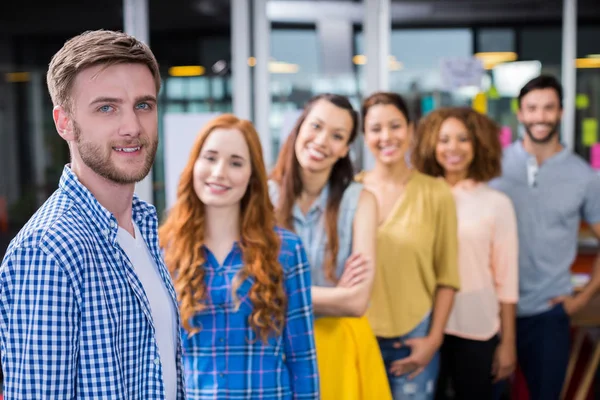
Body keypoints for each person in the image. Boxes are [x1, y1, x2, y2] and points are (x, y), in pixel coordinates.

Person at [0, 30, 184, 399]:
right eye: (106, 108)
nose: (132, 127)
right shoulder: (50, 251)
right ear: (64, 122)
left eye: (143, 105)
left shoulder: (143, 226)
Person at [159, 114, 319, 400]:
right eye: (210, 158)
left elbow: (302, 360)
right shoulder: (164, 251)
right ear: (194, 165)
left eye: (235, 162)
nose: (219, 172)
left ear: (252, 176)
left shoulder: (287, 251)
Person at [269, 93, 392, 400]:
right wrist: (335, 295)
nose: (322, 141)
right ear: (298, 128)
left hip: (342, 348)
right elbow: (252, 289)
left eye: (337, 136)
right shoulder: (261, 198)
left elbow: (356, 302)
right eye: (316, 127)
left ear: (346, 149)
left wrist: (280, 292)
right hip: (274, 348)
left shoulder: (361, 201)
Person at [489, 74, 600, 399]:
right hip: (492, 311)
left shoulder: (584, 176)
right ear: (520, 113)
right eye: (532, 108)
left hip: (548, 314)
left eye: (549, 108)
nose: (540, 117)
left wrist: (582, 298)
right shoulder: (494, 165)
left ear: (561, 113)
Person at [356, 92, 460, 400]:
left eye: (395, 126)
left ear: (412, 130)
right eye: (375, 129)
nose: (386, 136)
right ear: (364, 136)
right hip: (360, 335)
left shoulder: (436, 192)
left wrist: (433, 340)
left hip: (415, 337)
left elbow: (448, 276)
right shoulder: (350, 191)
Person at [412, 107, 518, 399]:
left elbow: (506, 279)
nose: (453, 148)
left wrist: (508, 341)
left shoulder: (496, 203)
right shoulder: (418, 196)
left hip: (477, 328)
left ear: (479, 145)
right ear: (431, 145)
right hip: (423, 325)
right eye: (444, 139)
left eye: (463, 139)